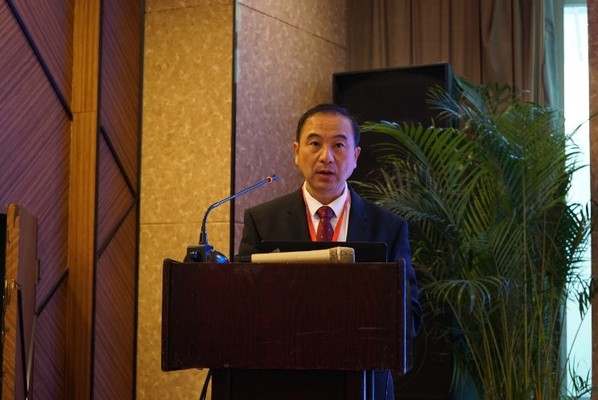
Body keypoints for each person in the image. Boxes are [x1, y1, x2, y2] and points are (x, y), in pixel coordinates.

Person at [238, 103, 421, 400]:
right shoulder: (262, 222)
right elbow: (245, 307)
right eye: (314, 144)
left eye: (338, 145)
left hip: (364, 384)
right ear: (296, 152)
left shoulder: (388, 228)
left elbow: (408, 315)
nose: (326, 157)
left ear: (355, 156)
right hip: (282, 383)